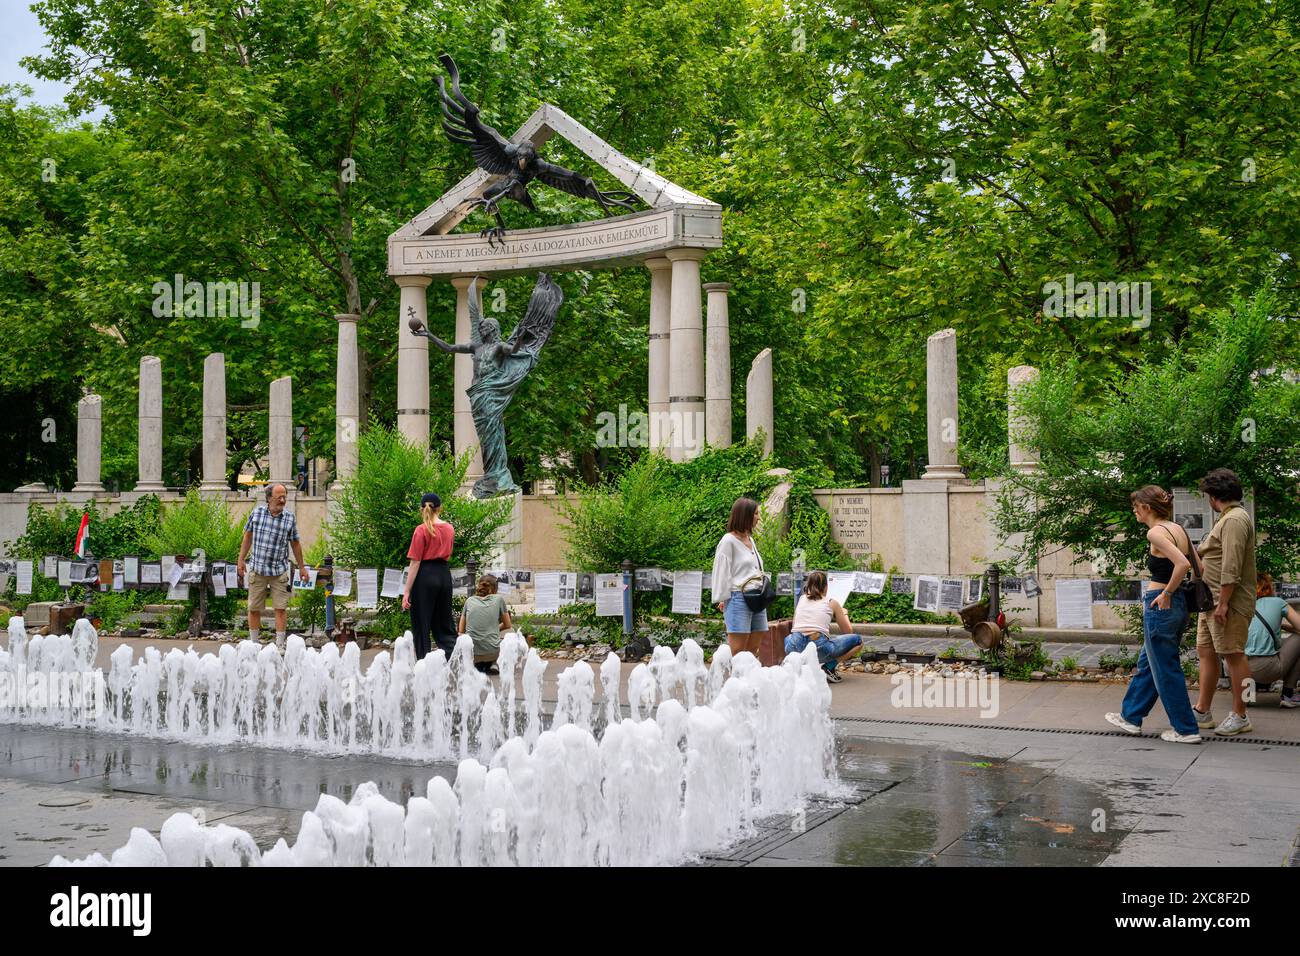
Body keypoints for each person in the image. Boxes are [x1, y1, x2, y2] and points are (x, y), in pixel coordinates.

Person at [1105, 486, 1202, 743]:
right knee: (1150, 662)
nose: (1134, 510)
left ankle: (1186, 729)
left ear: (1147, 507)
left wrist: (1167, 592)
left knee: (1166, 668)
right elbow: (1198, 567)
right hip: (1177, 605)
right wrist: (1179, 594)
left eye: (1136, 506)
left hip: (1161, 604)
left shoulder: (1156, 533)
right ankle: (1131, 716)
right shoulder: (1178, 529)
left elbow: (1184, 564)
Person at [1191, 468, 1257, 736]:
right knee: (1205, 651)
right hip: (1211, 600)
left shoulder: (1235, 520)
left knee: (1234, 655)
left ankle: (1241, 715)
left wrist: (1224, 603)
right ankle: (1202, 711)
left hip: (1225, 602)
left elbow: (1232, 565)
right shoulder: (1228, 518)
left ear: (1213, 495)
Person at [237, 483, 309, 651]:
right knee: (254, 608)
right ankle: (254, 644)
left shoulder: (289, 518)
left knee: (280, 608)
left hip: (279, 570)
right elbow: (247, 537)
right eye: (279, 497)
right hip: (258, 568)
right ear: (269, 498)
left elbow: (296, 544)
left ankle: (280, 644)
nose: (283, 500)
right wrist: (241, 560)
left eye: (285, 497)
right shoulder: (257, 513)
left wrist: (302, 568)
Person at [401, 492, 456, 660]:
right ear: (440, 508)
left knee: (421, 622)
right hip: (444, 574)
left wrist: (407, 591)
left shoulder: (421, 530)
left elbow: (415, 562)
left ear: (421, 509)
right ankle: (452, 658)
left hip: (425, 576)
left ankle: (423, 662)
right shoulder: (449, 528)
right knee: (444, 621)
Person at [711, 497, 768, 657]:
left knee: (753, 650)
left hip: (758, 597)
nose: (758, 517)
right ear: (745, 515)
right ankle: (734, 681)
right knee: (737, 651)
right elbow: (721, 571)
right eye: (756, 513)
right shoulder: (728, 541)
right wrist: (723, 598)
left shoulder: (751, 540)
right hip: (739, 598)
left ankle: (747, 680)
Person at [785, 570, 863, 683]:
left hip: (793, 646)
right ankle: (829, 667)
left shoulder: (802, 599)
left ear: (809, 586)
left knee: (788, 638)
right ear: (826, 587)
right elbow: (848, 631)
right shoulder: (832, 603)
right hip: (819, 647)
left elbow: (795, 625)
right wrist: (844, 613)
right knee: (858, 641)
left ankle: (799, 668)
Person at [1246, 574, 1300, 708]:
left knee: (1245, 650)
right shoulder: (1278, 602)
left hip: (1235, 668)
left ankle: (1247, 696)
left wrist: (1279, 626)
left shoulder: (1240, 604)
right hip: (1266, 669)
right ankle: (1288, 695)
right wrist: (1283, 625)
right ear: (1268, 588)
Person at [460, 574, 512, 674]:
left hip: (472, 653)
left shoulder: (469, 600)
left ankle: (472, 664)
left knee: (464, 635)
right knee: (511, 631)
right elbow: (507, 625)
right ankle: (495, 662)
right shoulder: (498, 599)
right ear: (495, 588)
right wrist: (494, 629)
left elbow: (461, 630)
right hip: (492, 652)